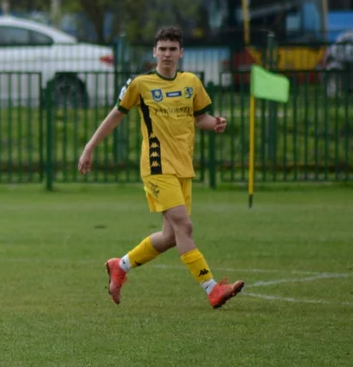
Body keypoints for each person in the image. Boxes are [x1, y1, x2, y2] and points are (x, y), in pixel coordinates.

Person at [78, 25, 245, 309]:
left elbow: (200, 118)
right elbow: (115, 116)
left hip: (183, 167)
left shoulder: (191, 82)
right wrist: (89, 147)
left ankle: (120, 265)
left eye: (172, 49)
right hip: (156, 167)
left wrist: (215, 123)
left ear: (181, 52)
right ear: (154, 52)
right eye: (162, 49)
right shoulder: (140, 85)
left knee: (170, 237)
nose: (167, 54)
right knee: (185, 226)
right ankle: (212, 289)